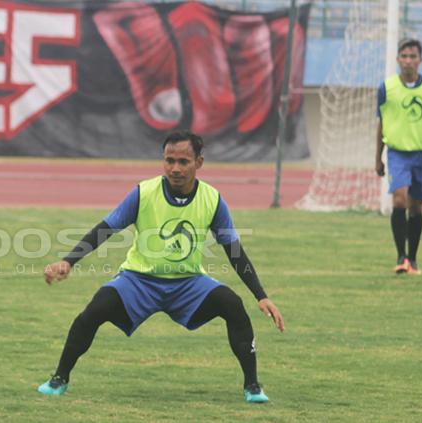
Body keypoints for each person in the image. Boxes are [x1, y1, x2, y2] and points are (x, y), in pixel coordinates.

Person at [38, 131, 285, 403]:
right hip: (139, 280)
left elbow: (234, 251)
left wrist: (261, 295)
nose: (175, 168)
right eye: (169, 161)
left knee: (232, 305)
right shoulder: (143, 193)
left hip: (188, 283)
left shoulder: (213, 200)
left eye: (183, 161)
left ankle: (252, 386)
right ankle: (59, 379)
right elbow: (106, 229)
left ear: (199, 163)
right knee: (95, 309)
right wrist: (69, 261)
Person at [376, 37, 422, 275]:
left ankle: (413, 260)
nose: (408, 61)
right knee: (399, 199)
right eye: (404, 56)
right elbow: (381, 124)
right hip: (397, 153)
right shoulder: (387, 88)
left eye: (412, 56)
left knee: (416, 207)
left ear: (420, 60)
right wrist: (378, 157)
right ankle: (400, 256)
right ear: (398, 59)